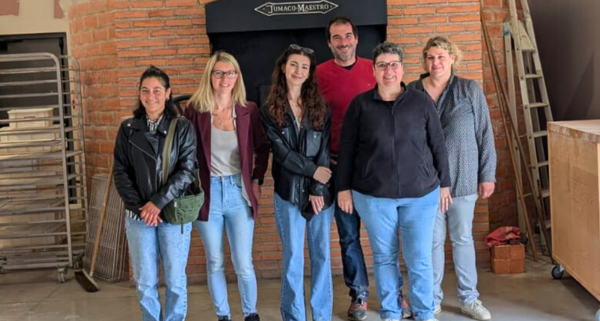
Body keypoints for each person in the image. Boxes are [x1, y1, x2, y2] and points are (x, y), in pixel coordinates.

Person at [337, 42, 451, 321]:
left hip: (421, 195)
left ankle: (425, 314)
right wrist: (343, 188)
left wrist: (445, 184)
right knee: (384, 258)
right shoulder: (360, 105)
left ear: (402, 68)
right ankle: (390, 312)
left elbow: (438, 145)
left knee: (419, 260)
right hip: (374, 196)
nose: (389, 70)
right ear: (374, 70)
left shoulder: (420, 101)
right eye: (382, 65)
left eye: (394, 64)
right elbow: (347, 149)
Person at [408, 36, 496, 321]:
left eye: (441, 56)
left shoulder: (469, 90)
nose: (436, 62)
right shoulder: (411, 91)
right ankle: (431, 300)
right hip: (426, 184)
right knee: (431, 242)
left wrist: (487, 175)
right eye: (431, 57)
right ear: (424, 60)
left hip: (464, 179)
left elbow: (484, 133)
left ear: (452, 58)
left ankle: (469, 298)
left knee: (461, 239)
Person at [184, 51, 269, 321]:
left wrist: (256, 179)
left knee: (243, 262)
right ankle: (223, 315)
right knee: (215, 261)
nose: (225, 78)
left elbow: (262, 147)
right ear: (210, 76)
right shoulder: (195, 110)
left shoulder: (248, 109)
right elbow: (185, 152)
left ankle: (250, 314)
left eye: (230, 73)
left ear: (237, 77)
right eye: (219, 72)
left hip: (238, 192)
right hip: (208, 194)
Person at [315, 16, 388, 321]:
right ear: (329, 42)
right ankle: (358, 294)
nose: (343, 42)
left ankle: (393, 293)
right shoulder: (317, 74)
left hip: (372, 169)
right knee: (348, 236)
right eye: (336, 38)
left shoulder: (375, 69)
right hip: (335, 169)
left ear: (356, 39)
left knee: (384, 235)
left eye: (347, 36)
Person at [113, 65, 197, 321]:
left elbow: (187, 171)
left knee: (174, 280)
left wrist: (157, 203)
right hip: (139, 217)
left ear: (168, 92)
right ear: (139, 94)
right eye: (145, 90)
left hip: (172, 213)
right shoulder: (128, 129)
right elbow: (121, 172)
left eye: (157, 90)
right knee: (145, 281)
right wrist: (142, 207)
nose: (151, 96)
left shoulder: (182, 127)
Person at [260, 44, 334, 321]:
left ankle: (322, 315)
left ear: (310, 73)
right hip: (288, 194)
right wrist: (313, 172)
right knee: (293, 259)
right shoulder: (269, 110)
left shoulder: (320, 107)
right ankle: (294, 316)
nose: (298, 71)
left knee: (322, 257)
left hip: (319, 196)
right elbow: (281, 153)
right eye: (294, 65)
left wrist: (318, 188)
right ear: (283, 68)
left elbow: (325, 151)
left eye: (304, 67)